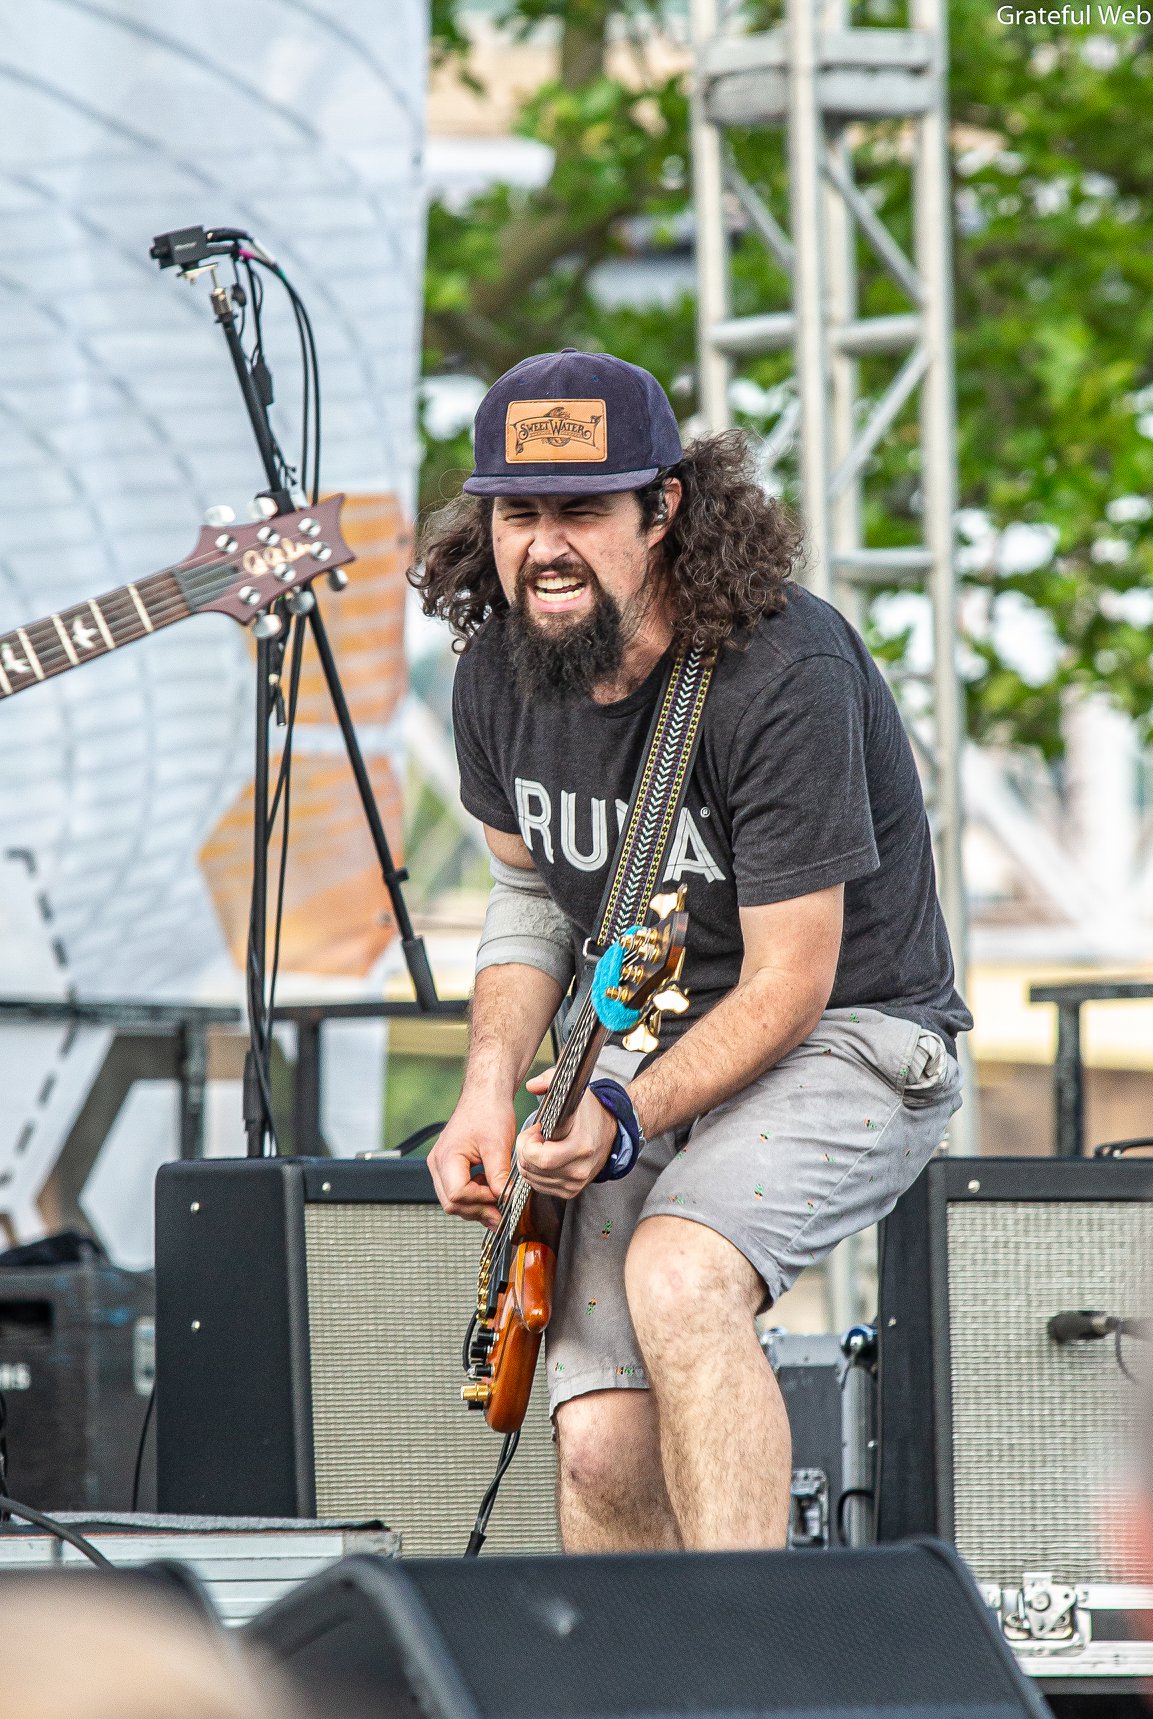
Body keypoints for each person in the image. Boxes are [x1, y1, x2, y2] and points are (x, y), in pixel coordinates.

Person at [411, 348, 971, 1554]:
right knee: (601, 1442)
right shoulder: (496, 671)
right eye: (517, 514)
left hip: (849, 1036)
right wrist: (486, 1092)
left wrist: (617, 1110)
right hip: (644, 1038)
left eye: (581, 511)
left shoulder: (783, 673)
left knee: (678, 1274)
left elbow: (790, 981)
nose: (544, 548)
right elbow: (529, 895)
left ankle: (747, 1644)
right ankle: (640, 1657)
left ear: (663, 509)